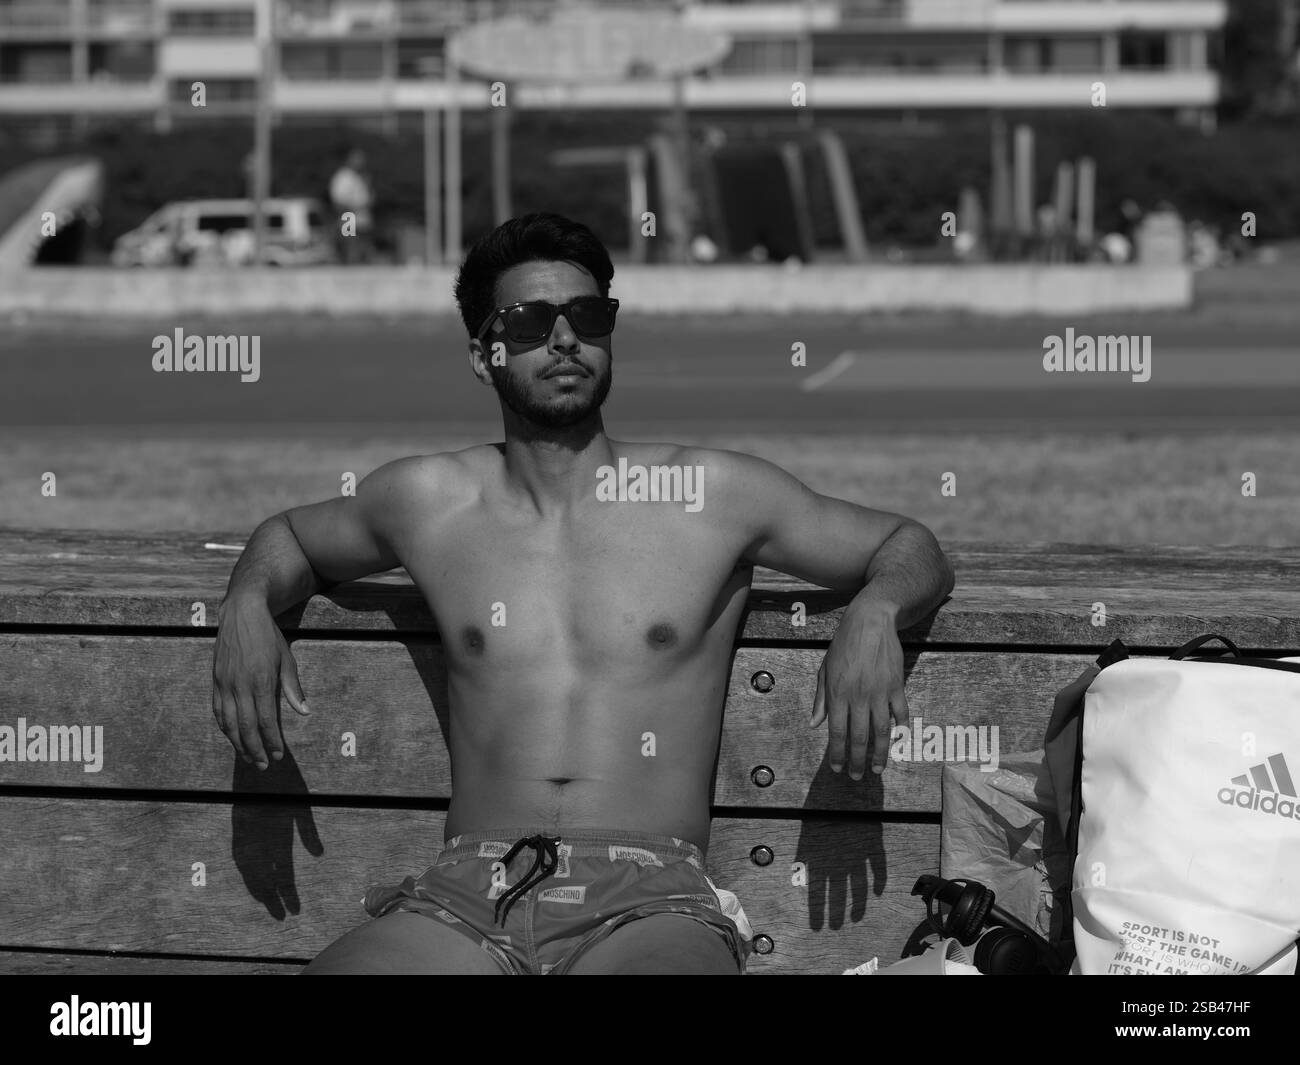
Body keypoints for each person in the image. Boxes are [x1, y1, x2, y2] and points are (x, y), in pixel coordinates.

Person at [211, 212, 954, 975]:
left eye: (589, 316)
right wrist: (246, 603)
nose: (564, 338)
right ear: (483, 353)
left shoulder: (710, 494)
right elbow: (291, 538)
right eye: (531, 321)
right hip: (469, 893)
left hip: (650, 897)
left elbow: (908, 546)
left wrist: (876, 609)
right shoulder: (429, 501)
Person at [329, 148, 373, 264]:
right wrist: (359, 207)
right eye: (357, 158)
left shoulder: (359, 176)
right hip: (349, 219)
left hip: (362, 221)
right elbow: (339, 203)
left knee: (362, 254)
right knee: (351, 253)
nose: (361, 161)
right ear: (349, 158)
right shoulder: (343, 177)